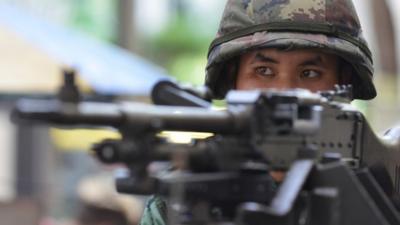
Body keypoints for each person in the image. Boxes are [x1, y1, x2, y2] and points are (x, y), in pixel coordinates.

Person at [140, 0, 377, 224]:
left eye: (310, 73)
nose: (284, 92)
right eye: (263, 71)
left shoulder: (380, 187)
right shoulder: (182, 201)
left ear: (343, 83)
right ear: (234, 79)